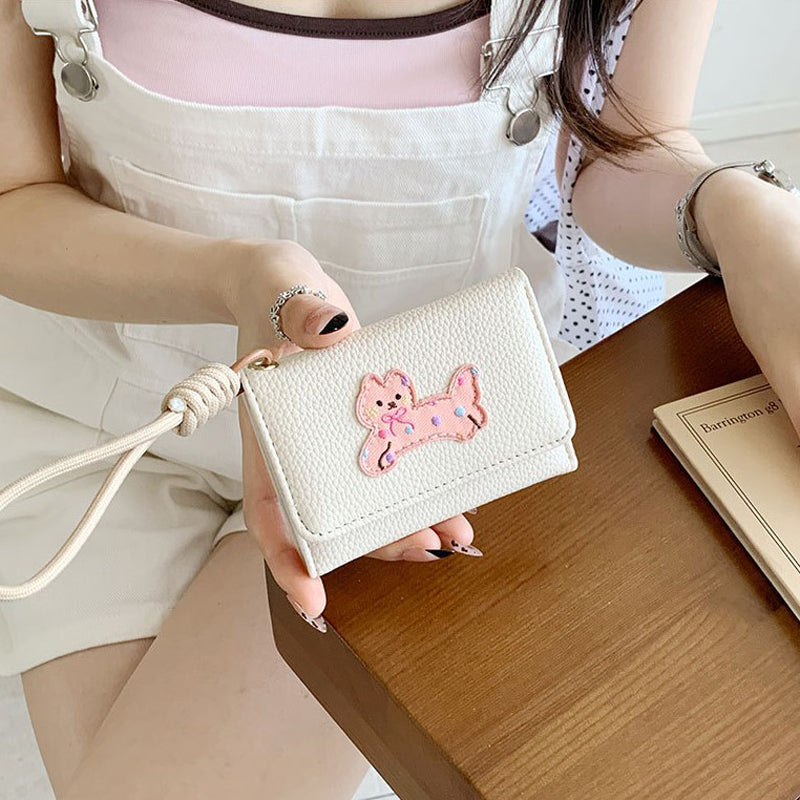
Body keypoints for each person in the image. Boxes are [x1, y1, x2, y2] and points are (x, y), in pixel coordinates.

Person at [0, 0, 798, 797]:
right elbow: (15, 196)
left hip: (412, 451)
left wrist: (740, 211)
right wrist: (238, 276)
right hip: (108, 422)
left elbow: (626, 148)